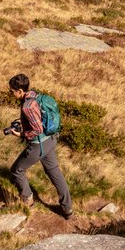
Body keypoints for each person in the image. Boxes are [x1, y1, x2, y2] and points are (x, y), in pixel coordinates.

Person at [6, 73, 73, 218]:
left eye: (12, 91)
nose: (10, 93)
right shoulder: (35, 95)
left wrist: (22, 134)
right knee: (54, 171)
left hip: (38, 145)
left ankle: (27, 199)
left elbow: (37, 130)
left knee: (17, 170)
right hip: (51, 140)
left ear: (20, 91)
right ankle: (67, 208)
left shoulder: (27, 107)